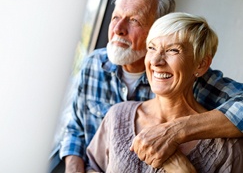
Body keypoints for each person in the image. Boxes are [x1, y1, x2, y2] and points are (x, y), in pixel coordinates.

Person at [59, 0, 243, 172]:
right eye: (115, 17)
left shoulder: (195, 80)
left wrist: (176, 131)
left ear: (158, 27)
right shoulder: (94, 65)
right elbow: (75, 129)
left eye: (134, 20)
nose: (118, 29)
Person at [86, 12, 243, 173]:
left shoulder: (228, 148)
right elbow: (93, 167)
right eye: (152, 48)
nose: (155, 61)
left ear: (201, 65)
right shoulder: (117, 116)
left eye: (173, 50)